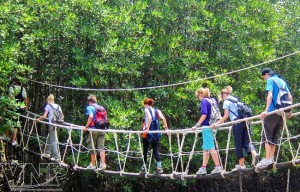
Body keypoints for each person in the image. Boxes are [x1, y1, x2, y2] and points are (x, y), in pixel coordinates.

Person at [213, 86, 259, 171]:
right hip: (246, 121)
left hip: (237, 123)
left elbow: (225, 116)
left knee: (238, 144)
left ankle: (242, 165)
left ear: (223, 95)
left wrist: (216, 124)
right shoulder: (236, 99)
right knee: (246, 142)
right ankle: (254, 153)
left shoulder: (226, 102)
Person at [257, 68, 293, 168]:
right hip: (282, 113)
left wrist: (266, 110)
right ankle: (271, 157)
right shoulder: (282, 81)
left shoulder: (270, 80)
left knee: (267, 134)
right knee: (274, 135)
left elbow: (270, 95)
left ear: (267, 74)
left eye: (264, 77)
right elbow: (289, 97)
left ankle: (268, 158)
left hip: (273, 111)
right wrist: (289, 111)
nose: (264, 79)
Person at [192, 88, 222, 175]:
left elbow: (204, 114)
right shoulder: (213, 100)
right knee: (206, 148)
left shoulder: (204, 101)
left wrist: (196, 125)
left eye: (198, 97)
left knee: (211, 147)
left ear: (200, 95)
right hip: (214, 125)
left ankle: (217, 166)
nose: (198, 98)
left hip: (207, 126)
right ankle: (203, 167)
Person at [141, 98, 169, 175]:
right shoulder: (157, 110)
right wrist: (166, 128)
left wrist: (147, 128)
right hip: (156, 133)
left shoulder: (146, 109)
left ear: (146, 104)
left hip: (148, 133)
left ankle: (144, 167)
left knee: (145, 150)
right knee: (155, 150)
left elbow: (149, 118)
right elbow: (163, 118)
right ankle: (159, 168)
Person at [35, 94, 61, 162]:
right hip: (58, 125)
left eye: (47, 100)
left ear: (49, 100)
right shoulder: (58, 106)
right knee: (51, 137)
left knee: (53, 140)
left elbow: (44, 116)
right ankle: (47, 153)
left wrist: (38, 119)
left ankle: (56, 157)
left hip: (52, 124)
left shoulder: (48, 105)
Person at [83, 95, 106, 170]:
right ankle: (103, 164)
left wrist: (86, 127)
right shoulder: (101, 108)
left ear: (89, 102)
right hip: (102, 130)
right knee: (101, 148)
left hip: (93, 130)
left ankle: (93, 164)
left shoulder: (90, 107)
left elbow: (91, 116)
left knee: (92, 147)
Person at [9, 78, 28, 146]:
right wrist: (26, 108)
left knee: (9, 121)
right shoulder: (23, 89)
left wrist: (8, 106)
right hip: (20, 108)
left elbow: (11, 97)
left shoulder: (12, 88)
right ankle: (13, 139)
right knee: (16, 124)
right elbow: (26, 99)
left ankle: (9, 137)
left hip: (13, 108)